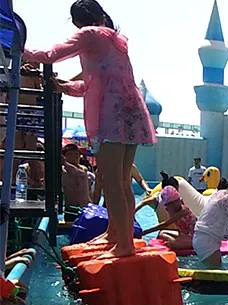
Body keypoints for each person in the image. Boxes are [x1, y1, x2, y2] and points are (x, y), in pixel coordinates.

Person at [25, 0, 157, 257]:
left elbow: (51, 54)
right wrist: (65, 87)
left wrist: (20, 49)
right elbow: (90, 84)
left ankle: (124, 245)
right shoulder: (114, 40)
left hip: (112, 115)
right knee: (122, 181)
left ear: (77, 21)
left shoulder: (89, 35)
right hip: (132, 113)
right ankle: (117, 234)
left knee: (111, 182)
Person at [140, 184, 196, 252]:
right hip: (184, 235)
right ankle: (174, 241)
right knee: (162, 233)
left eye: (177, 201)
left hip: (194, 238)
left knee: (174, 244)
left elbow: (165, 224)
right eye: (171, 203)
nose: (175, 204)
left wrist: (144, 232)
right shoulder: (171, 210)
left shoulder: (183, 211)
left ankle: (173, 242)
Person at [61, 143, 93, 210]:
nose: (74, 157)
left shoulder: (83, 169)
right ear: (65, 156)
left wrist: (65, 163)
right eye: (70, 154)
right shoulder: (63, 171)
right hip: (70, 208)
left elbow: (79, 173)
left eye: (76, 154)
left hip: (85, 207)